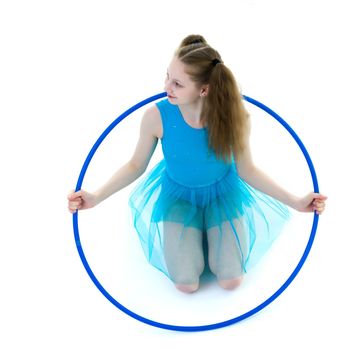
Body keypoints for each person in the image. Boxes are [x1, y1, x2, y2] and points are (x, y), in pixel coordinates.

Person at [67, 34, 327, 294]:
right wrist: (96, 196)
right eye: (167, 76)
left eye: (178, 83)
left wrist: (295, 201)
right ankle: (197, 236)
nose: (167, 86)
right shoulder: (155, 117)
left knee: (231, 280)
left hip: (222, 195)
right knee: (186, 284)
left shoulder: (235, 116)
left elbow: (248, 170)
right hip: (178, 197)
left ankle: (208, 232)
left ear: (204, 89)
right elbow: (136, 164)